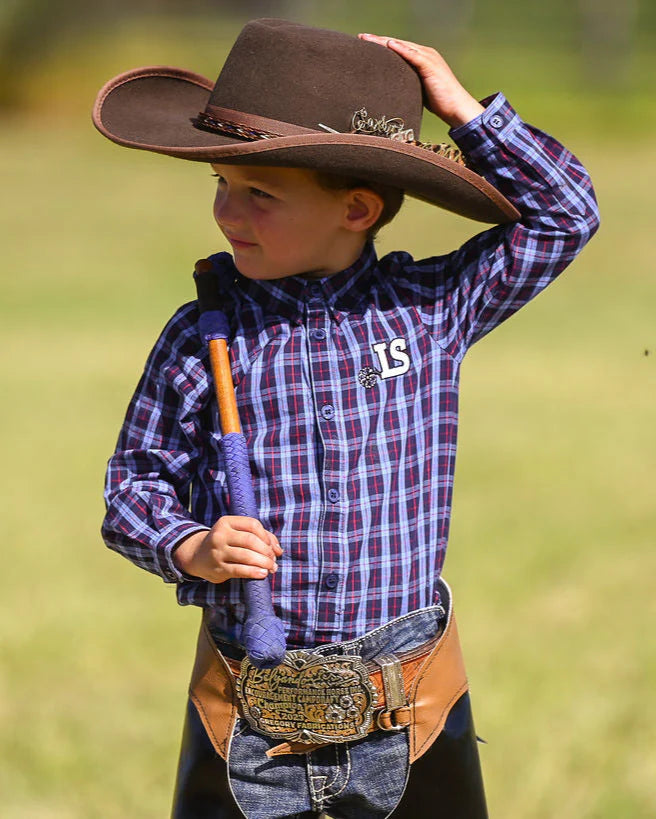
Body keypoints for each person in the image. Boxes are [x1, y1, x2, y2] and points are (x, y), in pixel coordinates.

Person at [93, 18, 599, 819]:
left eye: (260, 194)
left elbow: (563, 217)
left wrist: (466, 113)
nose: (229, 212)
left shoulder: (430, 308)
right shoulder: (201, 336)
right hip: (248, 708)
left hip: (413, 702)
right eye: (221, 185)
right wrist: (191, 544)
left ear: (358, 207)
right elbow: (132, 489)